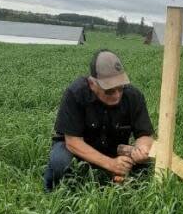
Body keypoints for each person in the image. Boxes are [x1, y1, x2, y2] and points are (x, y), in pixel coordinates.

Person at [43, 49, 154, 191]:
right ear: (92, 84)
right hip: (78, 150)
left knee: (147, 165)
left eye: (120, 88)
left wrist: (142, 149)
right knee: (60, 163)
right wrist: (110, 164)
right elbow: (73, 142)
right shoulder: (75, 93)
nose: (117, 95)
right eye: (109, 91)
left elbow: (144, 134)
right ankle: (52, 191)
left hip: (114, 148)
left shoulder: (134, 96)